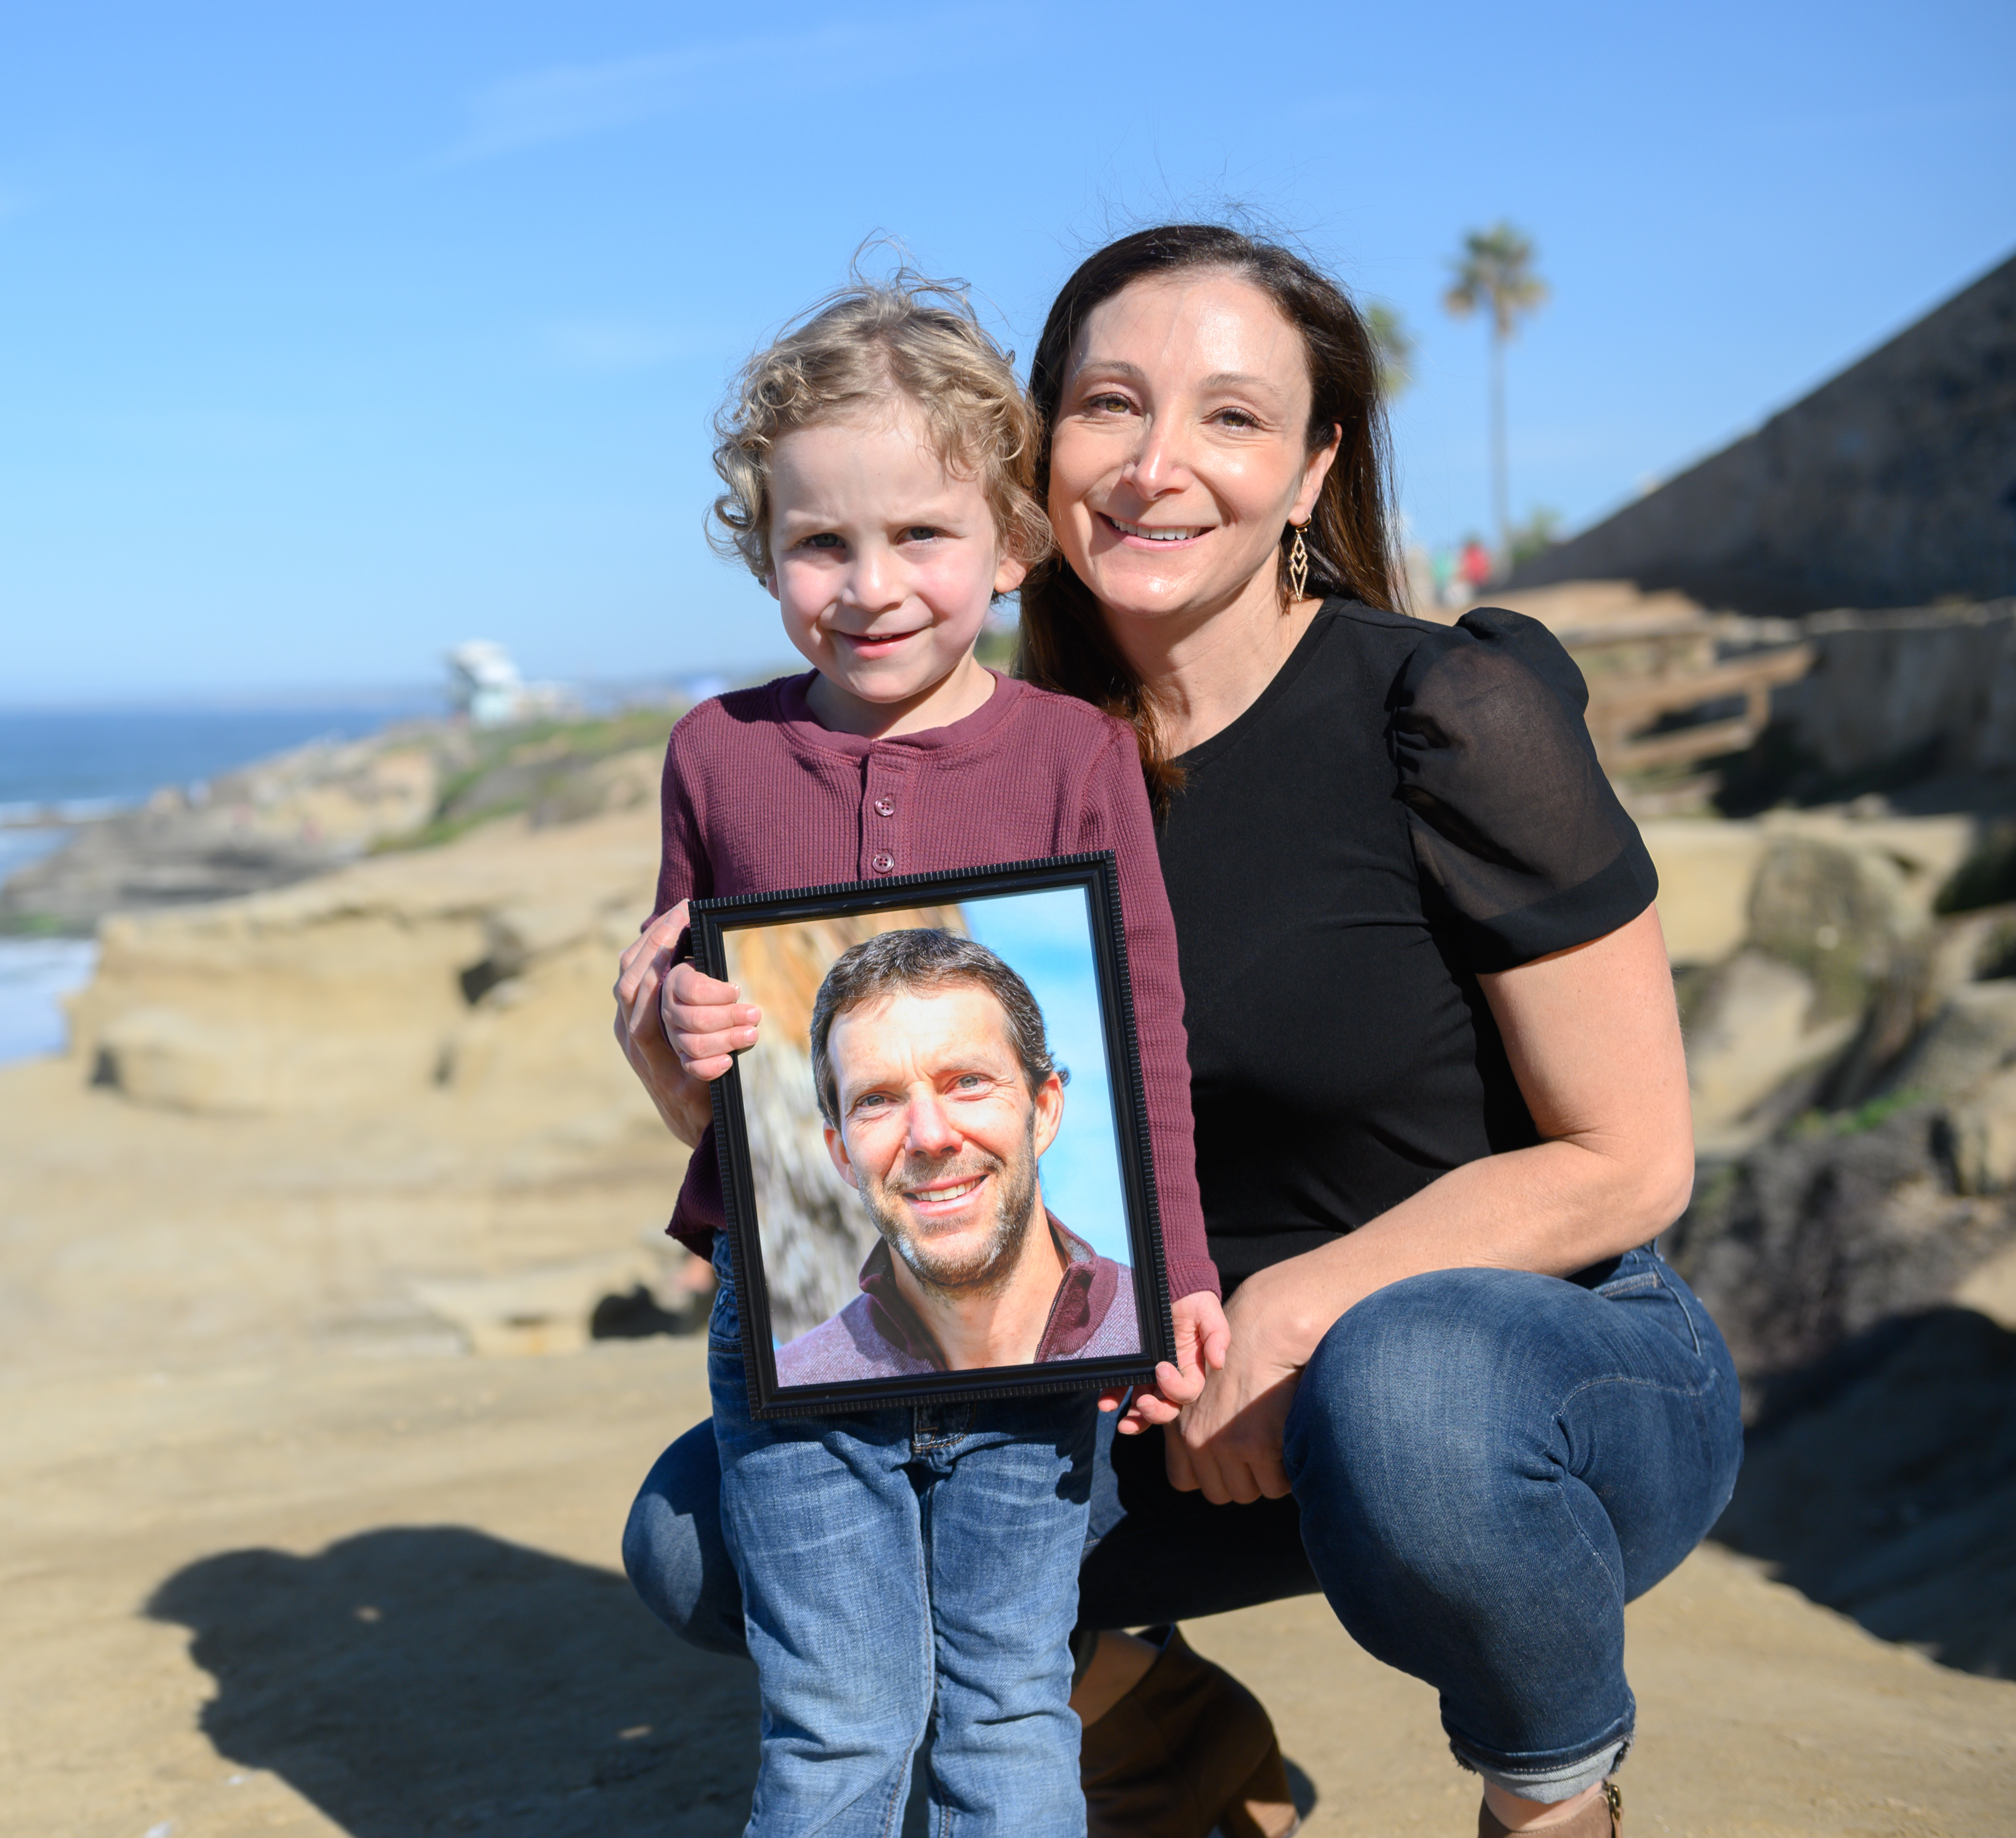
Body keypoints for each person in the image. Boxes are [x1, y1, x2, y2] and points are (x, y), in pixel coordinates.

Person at [622, 225, 1741, 1838]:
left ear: (1313, 465)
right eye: (1110, 406)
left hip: (1506, 1373)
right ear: (1036, 458)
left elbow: (1630, 1157)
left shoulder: (1453, 707)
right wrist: (683, 1075)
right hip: (1141, 1374)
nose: (1158, 465)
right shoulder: (1010, 751)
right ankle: (1155, 1720)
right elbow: (871, 1108)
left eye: (1230, 416)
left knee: (1407, 1397)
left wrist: (1291, 1310)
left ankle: (1550, 1783)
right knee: (702, 1528)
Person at [611, 269, 1230, 1838]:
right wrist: (680, 1035)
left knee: (1008, 1695)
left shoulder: (1074, 751)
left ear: (1013, 541)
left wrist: (1175, 1274)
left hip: (1037, 1331)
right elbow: (714, 1064)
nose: (872, 583)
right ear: (762, 548)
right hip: (803, 1309)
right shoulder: (715, 753)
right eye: (820, 541)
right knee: (836, 1717)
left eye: (923, 535)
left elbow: (1138, 1013)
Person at [773, 928, 1141, 1386]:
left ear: (1043, 1112)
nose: (929, 1135)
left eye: (968, 1082)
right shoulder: (794, 1394)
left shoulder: (1172, 1351)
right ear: (843, 1155)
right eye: (876, 1100)